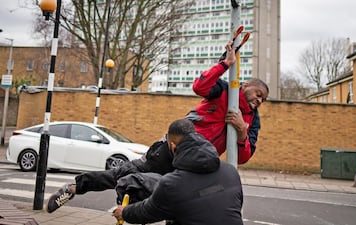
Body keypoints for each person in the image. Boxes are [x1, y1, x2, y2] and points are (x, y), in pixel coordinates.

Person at [45, 40, 269, 213]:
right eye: (258, 94)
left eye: (263, 100)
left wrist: (241, 132)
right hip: (170, 151)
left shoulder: (252, 120)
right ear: (246, 85)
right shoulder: (223, 91)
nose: (259, 101)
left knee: (175, 203)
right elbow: (200, 86)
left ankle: (131, 210)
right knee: (122, 175)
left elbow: (244, 156)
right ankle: (73, 188)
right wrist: (225, 64)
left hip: (195, 166)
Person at [112, 119, 244, 225]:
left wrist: (124, 212)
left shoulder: (173, 183)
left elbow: (147, 212)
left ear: (173, 146)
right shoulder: (230, 171)